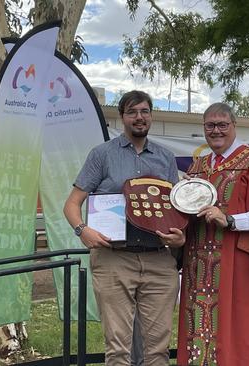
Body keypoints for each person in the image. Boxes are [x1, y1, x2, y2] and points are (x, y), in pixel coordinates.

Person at [64, 90, 185, 365]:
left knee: (158, 350)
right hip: (114, 259)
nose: (139, 117)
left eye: (144, 111)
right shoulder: (102, 155)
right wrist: (82, 230)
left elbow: (172, 208)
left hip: (158, 261)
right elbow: (72, 204)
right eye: (132, 112)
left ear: (151, 116)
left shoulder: (166, 158)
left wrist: (180, 236)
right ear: (122, 118)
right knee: (118, 350)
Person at [176, 102, 249, 366]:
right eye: (210, 125)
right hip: (198, 265)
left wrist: (230, 219)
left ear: (234, 126)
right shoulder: (197, 168)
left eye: (222, 124)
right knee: (198, 328)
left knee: (243, 330)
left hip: (239, 264)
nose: (216, 131)